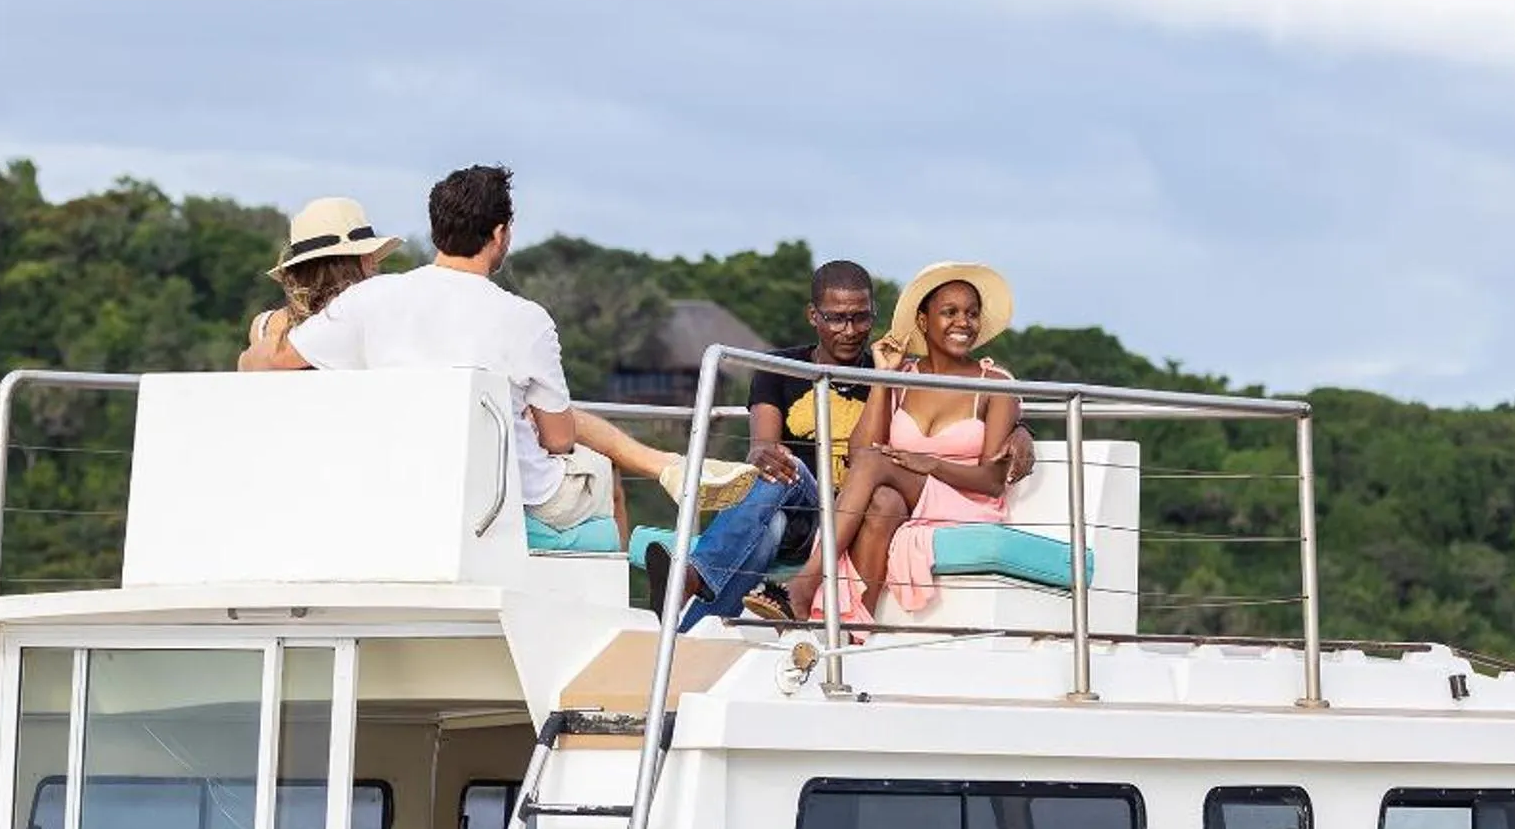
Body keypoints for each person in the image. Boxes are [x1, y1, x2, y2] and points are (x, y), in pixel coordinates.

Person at [246, 165, 751, 538]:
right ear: (499, 234)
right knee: (598, 470)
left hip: (402, 482)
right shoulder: (525, 319)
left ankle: (667, 467)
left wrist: (266, 328)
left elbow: (273, 363)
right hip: (502, 497)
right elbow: (558, 440)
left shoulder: (368, 301)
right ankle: (619, 591)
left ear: (436, 230)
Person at [644, 259, 872, 628]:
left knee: (781, 493)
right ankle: (687, 633)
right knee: (772, 523)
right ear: (813, 316)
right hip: (793, 510)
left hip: (846, 513)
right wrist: (763, 454)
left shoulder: (885, 372)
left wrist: (886, 375)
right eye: (836, 318)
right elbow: (762, 446)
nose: (850, 330)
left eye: (861, 318)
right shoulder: (779, 367)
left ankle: (688, 588)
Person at [803, 262, 1024, 625]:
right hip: (906, 498)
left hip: (966, 504)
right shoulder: (903, 377)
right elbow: (858, 455)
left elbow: (993, 481)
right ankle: (854, 628)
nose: (963, 322)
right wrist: (883, 378)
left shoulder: (995, 384)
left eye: (972, 314)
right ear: (923, 320)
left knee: (876, 465)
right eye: (950, 312)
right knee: (883, 501)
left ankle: (808, 580)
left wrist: (931, 464)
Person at [236, 197, 399, 372]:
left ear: (298, 269)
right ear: (367, 260)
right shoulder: (379, 313)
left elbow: (246, 364)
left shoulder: (266, 326)